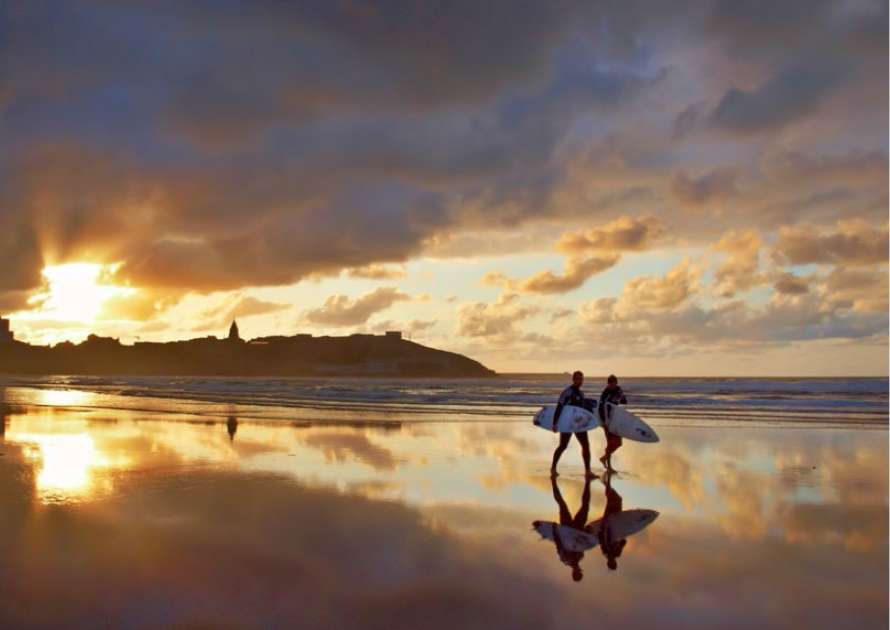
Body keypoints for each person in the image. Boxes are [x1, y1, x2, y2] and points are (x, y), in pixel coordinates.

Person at [550, 370, 594, 478]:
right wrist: (555, 423)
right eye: (578, 379)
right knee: (563, 446)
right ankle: (553, 468)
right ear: (573, 379)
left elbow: (583, 410)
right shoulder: (567, 392)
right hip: (567, 424)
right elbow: (559, 406)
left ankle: (588, 471)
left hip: (578, 423)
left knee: (586, 445)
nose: (580, 381)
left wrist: (590, 419)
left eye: (582, 379)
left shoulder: (581, 393)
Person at [549, 475, 594, 582]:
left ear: (574, 573)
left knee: (562, 504)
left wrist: (555, 530)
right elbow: (581, 541)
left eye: (577, 572)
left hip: (567, 528)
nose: (579, 570)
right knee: (585, 506)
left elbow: (558, 544)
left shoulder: (565, 559)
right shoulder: (580, 556)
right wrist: (587, 531)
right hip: (578, 528)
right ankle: (588, 482)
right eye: (580, 572)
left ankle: (553, 482)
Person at [597, 472, 627, 570]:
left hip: (609, 522)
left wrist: (604, 525)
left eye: (611, 563)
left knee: (613, 500)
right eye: (613, 563)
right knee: (617, 499)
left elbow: (602, 537)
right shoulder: (616, 553)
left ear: (608, 562)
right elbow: (623, 541)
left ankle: (605, 481)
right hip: (616, 524)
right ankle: (606, 482)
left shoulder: (606, 551)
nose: (612, 561)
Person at [598, 374, 627, 470]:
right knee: (610, 443)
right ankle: (609, 466)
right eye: (610, 384)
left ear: (616, 383)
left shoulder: (619, 390)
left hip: (615, 419)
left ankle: (604, 458)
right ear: (608, 383)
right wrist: (603, 421)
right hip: (607, 420)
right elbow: (601, 407)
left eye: (613, 383)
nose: (611, 385)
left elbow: (624, 401)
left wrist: (622, 398)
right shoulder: (605, 393)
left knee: (619, 443)